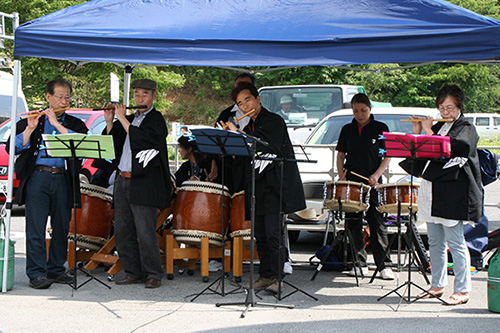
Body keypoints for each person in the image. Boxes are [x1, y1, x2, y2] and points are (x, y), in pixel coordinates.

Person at [220, 82, 305, 293]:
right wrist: (230, 143)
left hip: (275, 185)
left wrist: (237, 134)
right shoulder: (248, 127)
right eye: (239, 104)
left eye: (247, 100)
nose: (244, 106)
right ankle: (265, 275)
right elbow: (242, 158)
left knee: (273, 233)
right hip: (256, 186)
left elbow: (265, 144)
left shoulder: (274, 121)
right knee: (260, 234)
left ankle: (277, 277)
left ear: (258, 99)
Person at [401, 84, 482, 305]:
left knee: (456, 241)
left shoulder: (466, 127)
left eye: (449, 108)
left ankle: (463, 289)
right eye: (441, 108)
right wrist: (418, 133)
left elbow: (452, 147)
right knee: (435, 241)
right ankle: (437, 285)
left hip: (452, 191)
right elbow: (423, 152)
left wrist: (428, 132)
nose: (445, 112)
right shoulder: (440, 127)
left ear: (459, 106)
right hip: (431, 190)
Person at [8, 79, 88, 289]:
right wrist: (29, 129)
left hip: (63, 177)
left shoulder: (74, 123)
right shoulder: (31, 119)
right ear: (48, 97)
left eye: (67, 97)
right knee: (36, 226)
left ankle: (56, 269)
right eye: (59, 97)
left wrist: (57, 125)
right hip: (38, 176)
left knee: (62, 226)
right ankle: (36, 273)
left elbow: (81, 145)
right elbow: (12, 148)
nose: (64, 101)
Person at [104, 79, 172, 289]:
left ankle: (153, 272)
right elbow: (112, 146)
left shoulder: (156, 120)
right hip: (122, 178)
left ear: (153, 97)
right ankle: (133, 271)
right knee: (122, 229)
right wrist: (110, 122)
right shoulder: (130, 119)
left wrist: (123, 119)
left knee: (145, 230)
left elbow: (140, 138)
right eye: (136, 94)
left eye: (144, 94)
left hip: (143, 181)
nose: (139, 98)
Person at [336, 93, 394, 280]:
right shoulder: (347, 129)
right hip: (352, 182)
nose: (359, 114)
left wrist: (377, 175)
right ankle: (359, 263)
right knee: (352, 222)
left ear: (370, 109)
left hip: (373, 182)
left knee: (377, 222)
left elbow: (387, 155)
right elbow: (340, 155)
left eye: (363, 110)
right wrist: (340, 175)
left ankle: (384, 265)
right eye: (356, 111)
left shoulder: (381, 128)